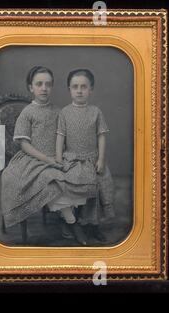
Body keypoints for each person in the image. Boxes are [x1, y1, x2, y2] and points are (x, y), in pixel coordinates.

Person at [1, 66, 96, 244]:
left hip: (58, 155)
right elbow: (23, 144)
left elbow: (66, 137)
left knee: (79, 173)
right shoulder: (27, 113)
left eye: (48, 84)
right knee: (52, 178)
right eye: (39, 84)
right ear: (31, 87)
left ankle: (69, 218)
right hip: (33, 159)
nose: (44, 88)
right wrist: (46, 160)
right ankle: (72, 223)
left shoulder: (59, 111)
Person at [54, 68, 115, 244]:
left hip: (92, 159)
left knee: (100, 185)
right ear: (69, 89)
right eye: (75, 87)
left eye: (84, 87)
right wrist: (59, 159)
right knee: (75, 186)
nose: (79, 90)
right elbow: (60, 136)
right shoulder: (64, 113)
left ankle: (94, 226)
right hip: (72, 160)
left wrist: (101, 159)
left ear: (91, 89)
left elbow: (101, 135)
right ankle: (71, 222)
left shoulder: (96, 112)